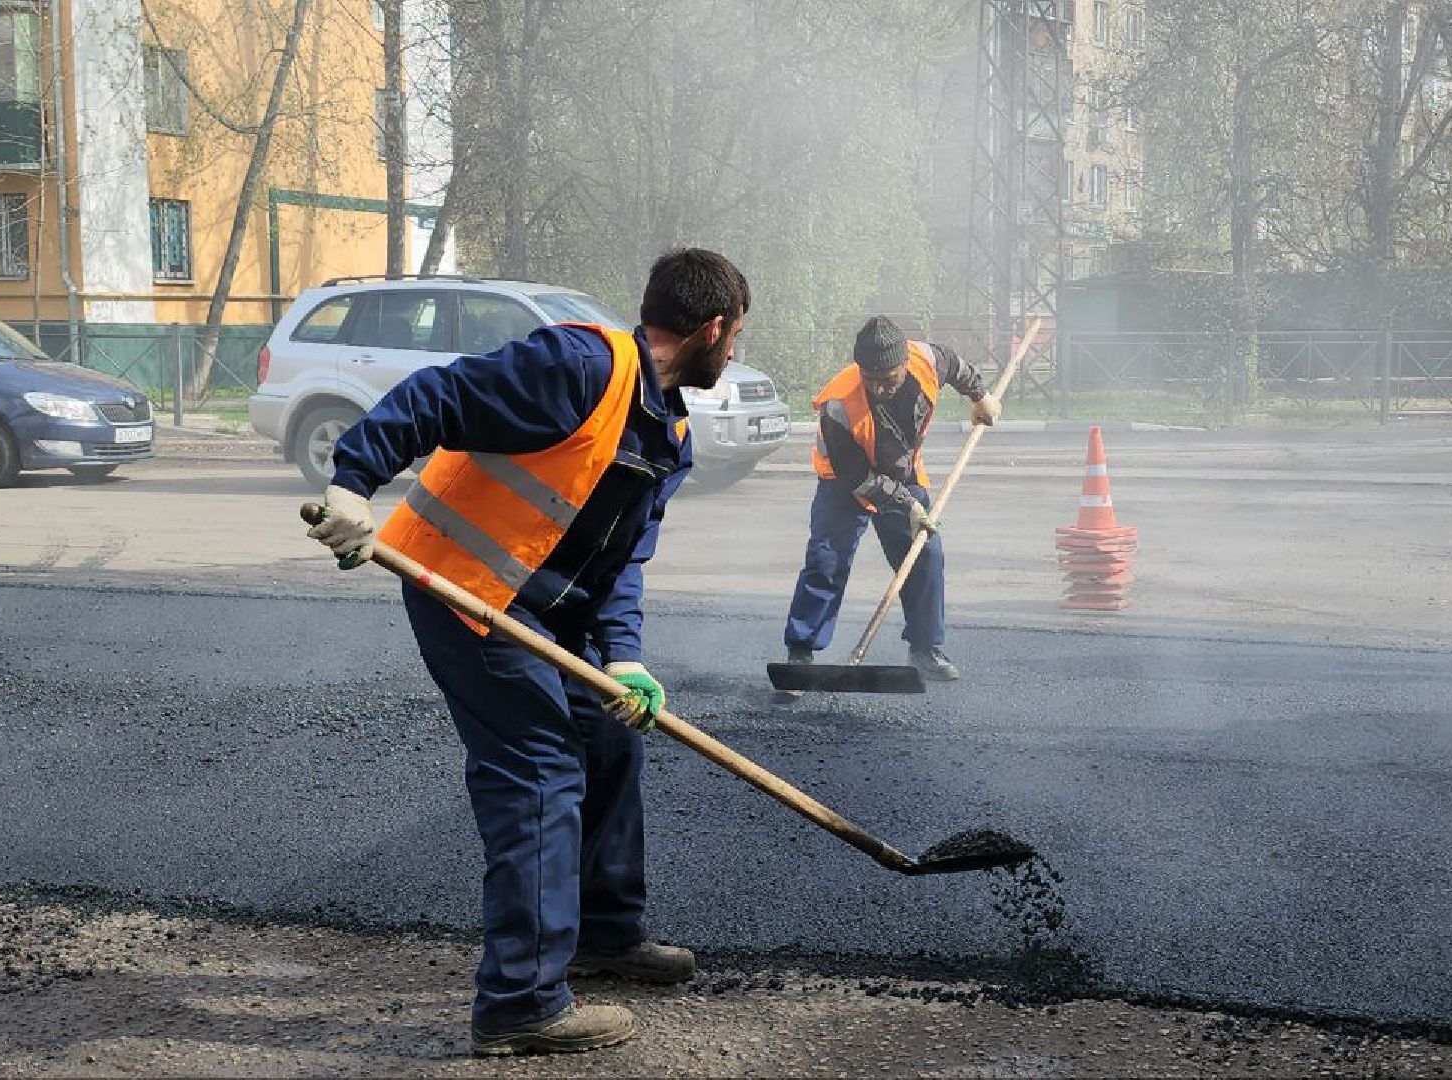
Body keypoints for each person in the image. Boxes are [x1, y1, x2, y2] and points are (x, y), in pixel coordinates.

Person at [304, 249, 748, 1056]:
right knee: (540, 769)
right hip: (462, 589)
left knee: (611, 734)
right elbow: (436, 395)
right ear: (713, 328)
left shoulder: (666, 429)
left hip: (549, 612)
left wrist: (624, 659)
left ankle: (605, 933)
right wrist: (351, 482)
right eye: (736, 335)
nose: (733, 350)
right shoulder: (579, 365)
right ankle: (521, 1001)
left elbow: (621, 562)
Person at [780, 316, 1000, 688]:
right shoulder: (838, 406)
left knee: (925, 552)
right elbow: (859, 479)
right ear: (860, 370)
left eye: (890, 379)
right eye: (872, 380)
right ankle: (801, 653)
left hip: (902, 470)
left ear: (904, 364)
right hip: (844, 481)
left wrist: (980, 396)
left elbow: (957, 365)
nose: (881, 388)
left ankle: (924, 649)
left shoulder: (927, 360)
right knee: (826, 561)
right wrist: (910, 506)